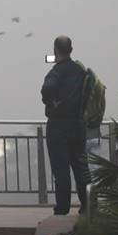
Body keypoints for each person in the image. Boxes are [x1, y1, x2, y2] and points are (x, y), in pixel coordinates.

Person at [41, 36, 90, 215]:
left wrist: (51, 102)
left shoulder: (56, 71)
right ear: (71, 49)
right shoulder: (80, 70)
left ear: (55, 50)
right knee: (80, 166)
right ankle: (87, 204)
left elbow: (46, 89)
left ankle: (62, 208)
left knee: (61, 169)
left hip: (58, 125)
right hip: (77, 124)